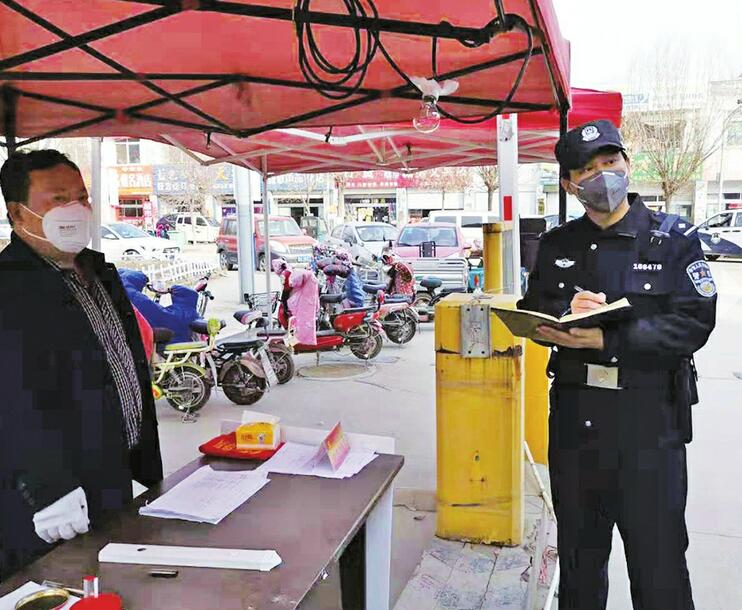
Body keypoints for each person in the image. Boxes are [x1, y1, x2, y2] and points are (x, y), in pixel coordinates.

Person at [518, 120, 716, 609]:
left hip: (650, 432)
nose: (602, 175)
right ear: (569, 183)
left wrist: (609, 337)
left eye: (609, 163)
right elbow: (534, 308)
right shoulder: (559, 245)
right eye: (587, 169)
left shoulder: (673, 240)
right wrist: (559, 320)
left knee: (659, 568)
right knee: (581, 567)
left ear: (627, 164)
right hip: (575, 431)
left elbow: (694, 323)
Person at [0, 150, 163, 581]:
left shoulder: (100, 272)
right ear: (19, 213)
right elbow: (10, 399)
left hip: (119, 473)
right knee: (65, 589)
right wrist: (46, 487)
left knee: (123, 588)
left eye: (82, 196)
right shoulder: (8, 287)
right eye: (57, 199)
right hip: (53, 499)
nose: (75, 209)